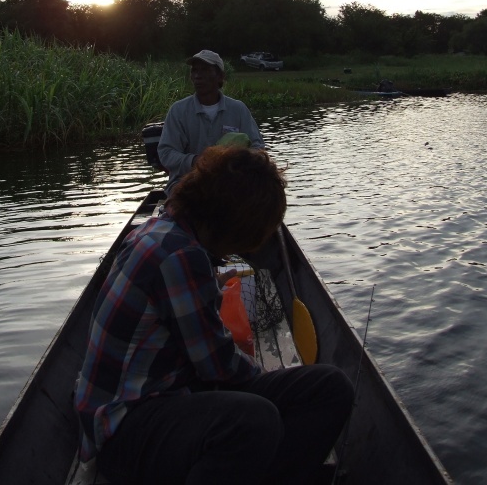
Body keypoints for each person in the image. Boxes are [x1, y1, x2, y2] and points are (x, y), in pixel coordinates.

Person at [74, 146, 354, 485]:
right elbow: (216, 365)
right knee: (254, 420)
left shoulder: (160, 228)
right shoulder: (179, 255)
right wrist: (258, 379)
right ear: (234, 224)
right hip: (124, 430)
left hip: (170, 394)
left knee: (329, 386)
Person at [158, 49, 264, 195]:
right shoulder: (178, 110)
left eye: (205, 70)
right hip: (186, 182)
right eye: (194, 71)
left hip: (229, 183)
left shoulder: (238, 109)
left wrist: (234, 163)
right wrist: (197, 161)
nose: (197, 76)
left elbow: (257, 148)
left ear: (220, 76)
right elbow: (166, 153)